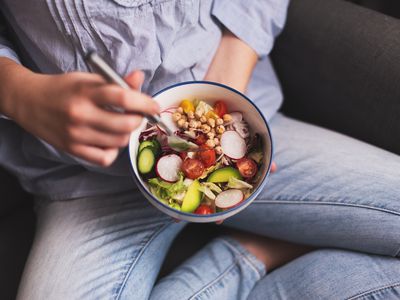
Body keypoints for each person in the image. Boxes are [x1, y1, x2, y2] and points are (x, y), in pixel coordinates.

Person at [1, 0, 400, 299]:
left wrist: (225, 94)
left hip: (238, 118)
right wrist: (18, 92)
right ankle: (246, 256)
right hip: (88, 182)